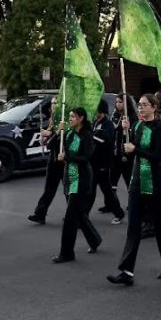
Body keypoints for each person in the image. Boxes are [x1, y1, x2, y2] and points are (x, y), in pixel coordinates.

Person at [107, 95, 161, 286]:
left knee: (160, 224)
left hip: (155, 182)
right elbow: (127, 153)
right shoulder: (137, 126)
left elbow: (158, 155)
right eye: (139, 105)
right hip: (137, 181)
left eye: (145, 105)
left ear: (154, 107)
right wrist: (124, 133)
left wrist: (135, 149)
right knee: (133, 226)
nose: (141, 108)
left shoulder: (159, 127)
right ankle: (126, 271)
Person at [54, 107, 102, 262]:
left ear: (81, 118)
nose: (70, 119)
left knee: (70, 219)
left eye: (73, 117)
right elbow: (52, 147)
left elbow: (86, 157)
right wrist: (57, 132)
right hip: (69, 178)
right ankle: (94, 240)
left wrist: (67, 157)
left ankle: (67, 253)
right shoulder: (68, 133)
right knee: (79, 215)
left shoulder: (87, 135)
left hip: (81, 180)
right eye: (69, 117)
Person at [29, 99, 63, 224]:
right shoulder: (51, 120)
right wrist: (44, 138)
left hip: (64, 158)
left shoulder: (65, 120)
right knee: (49, 188)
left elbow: (63, 136)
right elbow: (48, 141)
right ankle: (40, 214)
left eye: (56, 103)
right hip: (53, 158)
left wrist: (50, 133)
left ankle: (77, 216)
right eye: (52, 104)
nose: (53, 106)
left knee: (69, 191)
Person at [90, 101, 125, 223]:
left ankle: (119, 213)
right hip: (93, 162)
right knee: (90, 190)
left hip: (103, 163)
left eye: (96, 110)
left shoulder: (108, 124)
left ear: (101, 111)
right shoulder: (94, 123)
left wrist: (93, 136)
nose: (94, 112)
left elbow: (107, 141)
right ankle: (82, 216)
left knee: (107, 191)